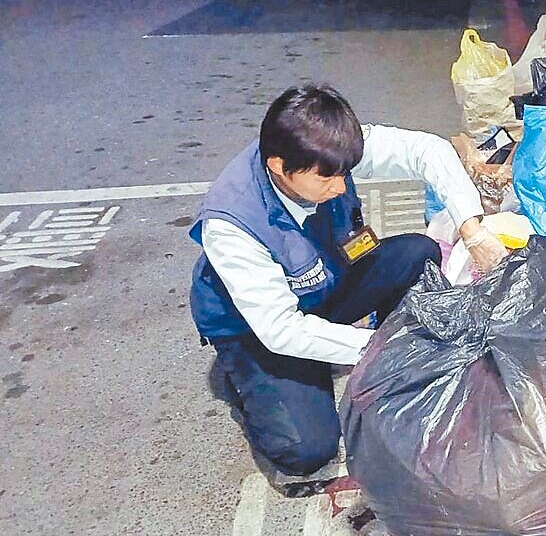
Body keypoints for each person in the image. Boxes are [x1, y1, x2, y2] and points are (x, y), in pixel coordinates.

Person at [189, 84, 507, 476]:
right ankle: (251, 380)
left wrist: (472, 229)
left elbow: (429, 150)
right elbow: (281, 330)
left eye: (344, 173)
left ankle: (379, 361)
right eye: (326, 180)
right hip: (257, 329)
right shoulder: (232, 225)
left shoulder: (330, 151)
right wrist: (386, 347)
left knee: (418, 253)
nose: (340, 186)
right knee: (308, 449)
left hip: (324, 283)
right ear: (278, 166)